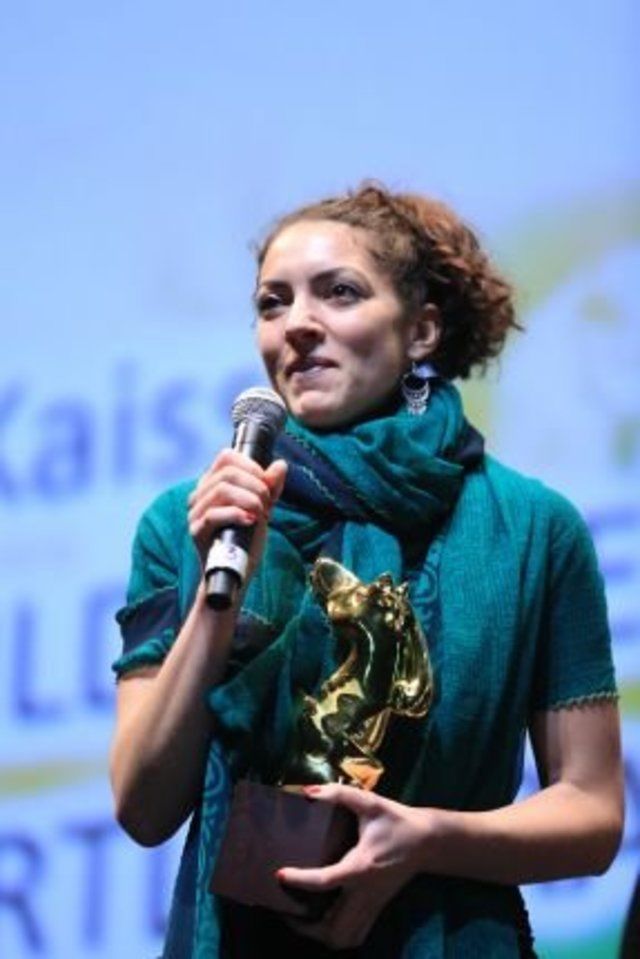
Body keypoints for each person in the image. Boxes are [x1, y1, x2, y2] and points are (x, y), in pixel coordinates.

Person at [109, 182, 624, 958]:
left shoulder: (533, 528)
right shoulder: (190, 521)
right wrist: (218, 600)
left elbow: (591, 813)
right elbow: (144, 809)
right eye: (273, 302)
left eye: (339, 292)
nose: (297, 323)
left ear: (421, 331)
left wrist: (426, 838)